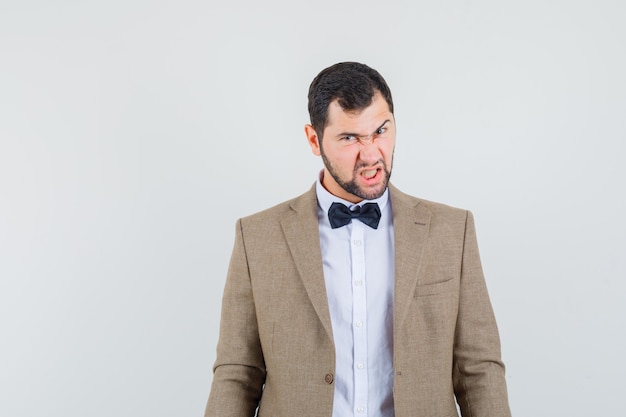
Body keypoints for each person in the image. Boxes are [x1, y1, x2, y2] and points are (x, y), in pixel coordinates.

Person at [204, 62, 511, 417]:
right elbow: (237, 373)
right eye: (349, 138)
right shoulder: (256, 237)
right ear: (313, 139)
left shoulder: (452, 231)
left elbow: (480, 370)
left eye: (380, 130)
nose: (371, 154)